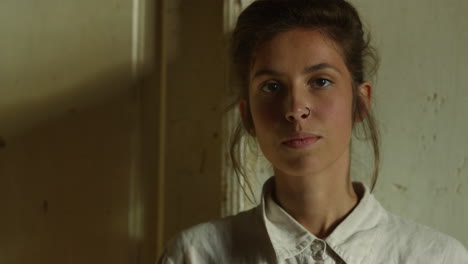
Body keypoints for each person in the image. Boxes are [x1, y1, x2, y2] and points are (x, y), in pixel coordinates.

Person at [157, 0, 468, 263]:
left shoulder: (437, 257)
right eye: (272, 86)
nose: (295, 108)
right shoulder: (195, 255)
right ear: (247, 115)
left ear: (360, 102)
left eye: (320, 81)